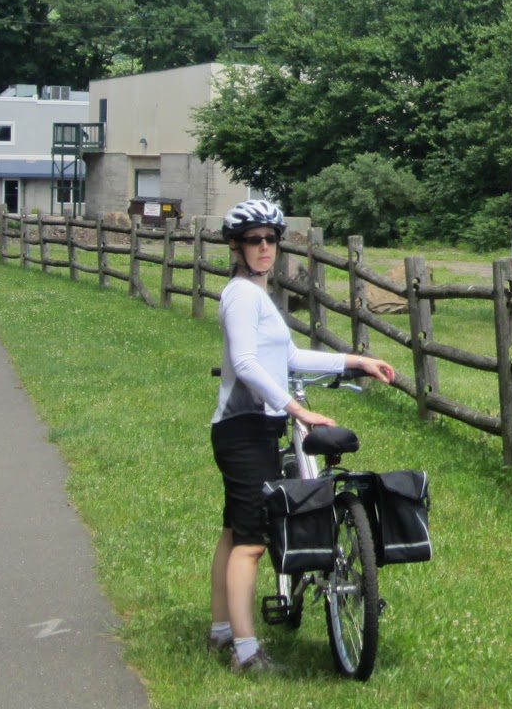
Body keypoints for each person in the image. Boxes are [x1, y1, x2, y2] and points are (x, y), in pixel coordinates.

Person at [206, 199, 394, 673]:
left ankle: (222, 629)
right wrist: (297, 408)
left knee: (234, 531)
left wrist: (355, 361)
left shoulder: (258, 296)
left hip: (255, 428)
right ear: (236, 246)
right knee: (252, 541)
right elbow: (246, 363)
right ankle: (246, 652)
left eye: (271, 239)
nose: (264, 247)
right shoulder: (240, 296)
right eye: (254, 240)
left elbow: (289, 358)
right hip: (243, 429)